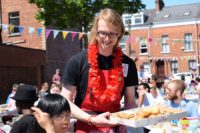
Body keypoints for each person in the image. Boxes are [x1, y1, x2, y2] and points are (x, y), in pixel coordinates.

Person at [61, 8, 138, 132]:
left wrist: (128, 120)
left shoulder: (127, 63)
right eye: (103, 33)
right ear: (95, 32)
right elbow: (65, 100)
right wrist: (91, 119)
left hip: (115, 126)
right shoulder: (77, 61)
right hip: (85, 125)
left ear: (120, 34)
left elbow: (130, 101)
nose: (107, 39)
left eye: (112, 33)